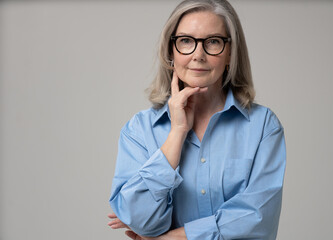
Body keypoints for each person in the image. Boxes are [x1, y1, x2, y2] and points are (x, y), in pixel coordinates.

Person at [108, 0, 286, 239]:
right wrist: (177, 133)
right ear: (171, 51)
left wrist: (171, 238)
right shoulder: (139, 130)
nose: (198, 55)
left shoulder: (263, 126)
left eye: (213, 41)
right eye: (186, 41)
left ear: (231, 53)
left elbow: (257, 220)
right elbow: (140, 220)